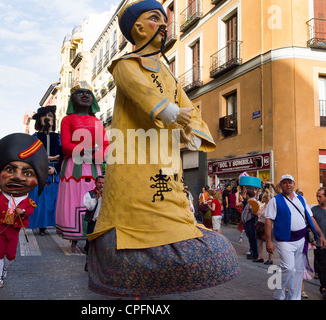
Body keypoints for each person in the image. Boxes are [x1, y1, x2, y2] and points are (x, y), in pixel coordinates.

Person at [87, 0, 238, 297]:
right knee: (136, 207)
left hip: (166, 160)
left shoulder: (167, 73)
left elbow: (186, 106)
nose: (164, 24)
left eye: (164, 18)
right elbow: (142, 93)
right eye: (155, 18)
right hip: (135, 157)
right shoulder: (125, 66)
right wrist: (168, 112)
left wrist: (193, 131)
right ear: (138, 28)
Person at [0, 133, 48, 288]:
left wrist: (23, 212)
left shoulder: (28, 202)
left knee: (10, 255)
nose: (18, 177)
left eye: (27, 173)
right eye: (10, 169)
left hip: (13, 230)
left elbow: (30, 212)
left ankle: (6, 269)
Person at [55, 81, 109, 245]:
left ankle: (91, 230)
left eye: (88, 93)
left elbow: (105, 144)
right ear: (72, 98)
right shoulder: (67, 120)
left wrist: (97, 156)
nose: (85, 96)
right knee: (76, 198)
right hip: (74, 165)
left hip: (93, 166)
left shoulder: (97, 122)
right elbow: (65, 145)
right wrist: (87, 152)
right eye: (80, 93)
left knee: (95, 196)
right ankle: (74, 233)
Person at [265, 174, 326, 300]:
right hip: (284, 240)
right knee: (288, 268)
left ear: (294, 184)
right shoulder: (275, 201)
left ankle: (294, 297)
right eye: (285, 182)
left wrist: (320, 234)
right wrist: (269, 242)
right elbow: (268, 221)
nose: (288, 184)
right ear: (281, 185)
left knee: (298, 271)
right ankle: (279, 294)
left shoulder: (301, 199)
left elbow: (311, 218)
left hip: (301, 239)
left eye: (290, 182)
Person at [28, 105, 64, 236]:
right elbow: (32, 154)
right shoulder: (35, 136)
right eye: (45, 116)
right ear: (40, 120)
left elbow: (63, 154)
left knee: (56, 199)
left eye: (50, 116)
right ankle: (41, 226)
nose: (48, 119)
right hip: (39, 172)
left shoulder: (58, 136)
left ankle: (57, 224)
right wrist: (49, 158)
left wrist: (55, 168)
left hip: (55, 172)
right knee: (40, 200)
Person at [83, 175, 105, 271]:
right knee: (90, 244)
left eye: (103, 183)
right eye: (99, 182)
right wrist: (97, 197)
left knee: (102, 244)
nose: (101, 185)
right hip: (93, 222)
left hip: (104, 223)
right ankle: (89, 262)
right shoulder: (90, 194)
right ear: (95, 183)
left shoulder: (108, 194)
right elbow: (89, 207)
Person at [311, 187, 326, 299]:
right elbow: (309, 227)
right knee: (321, 268)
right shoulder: (314, 210)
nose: (317, 198)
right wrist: (312, 239)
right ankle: (324, 287)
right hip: (320, 245)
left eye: (320, 196)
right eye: (317, 196)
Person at [254, 193, 272, 264]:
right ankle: (260, 257)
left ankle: (270, 258)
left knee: (268, 241)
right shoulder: (263, 206)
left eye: (264, 197)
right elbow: (259, 213)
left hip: (266, 225)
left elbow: (265, 215)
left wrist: (259, 214)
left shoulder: (269, 206)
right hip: (260, 224)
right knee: (259, 241)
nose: (262, 199)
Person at [241, 188, 259, 260]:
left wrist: (252, 209)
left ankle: (255, 254)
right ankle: (253, 252)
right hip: (248, 222)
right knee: (251, 238)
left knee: (253, 238)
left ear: (247, 195)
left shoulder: (253, 202)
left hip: (251, 222)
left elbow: (255, 212)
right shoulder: (250, 201)